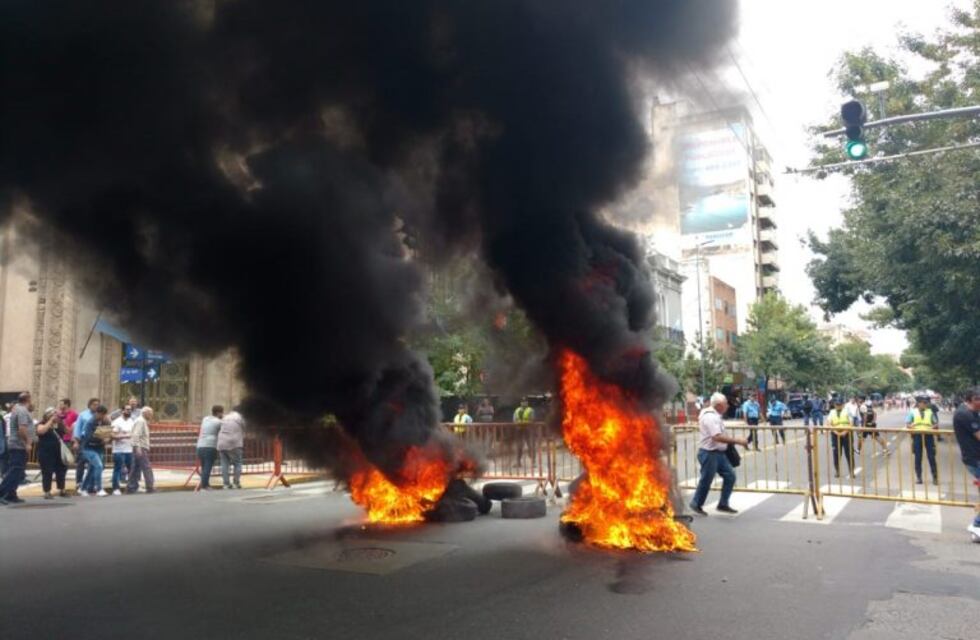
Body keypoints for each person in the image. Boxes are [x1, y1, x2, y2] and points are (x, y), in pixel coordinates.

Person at [689, 392, 748, 516]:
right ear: (719, 405)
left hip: (719, 453)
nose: (728, 406)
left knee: (730, 476)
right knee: (706, 480)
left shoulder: (715, 415)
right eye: (726, 403)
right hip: (709, 453)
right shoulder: (710, 417)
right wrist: (737, 440)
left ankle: (723, 504)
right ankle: (696, 503)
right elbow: (717, 437)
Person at [951, 387, 980, 537]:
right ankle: (976, 525)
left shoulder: (972, 413)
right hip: (975, 458)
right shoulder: (965, 414)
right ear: (972, 400)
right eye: (978, 399)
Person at [0, 392, 35, 505]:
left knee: (18, 471)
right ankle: (2, 493)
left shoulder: (18, 409)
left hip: (18, 444)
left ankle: (11, 494)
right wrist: (27, 443)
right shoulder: (22, 411)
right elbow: (22, 429)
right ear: (28, 399)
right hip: (18, 445)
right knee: (14, 470)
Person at [36, 408, 68, 499]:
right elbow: (41, 431)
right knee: (47, 471)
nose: (55, 417)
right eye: (53, 414)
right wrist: (50, 421)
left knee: (61, 470)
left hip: (58, 451)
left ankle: (62, 489)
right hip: (46, 452)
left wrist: (61, 421)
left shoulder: (58, 425)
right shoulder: (41, 423)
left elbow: (67, 431)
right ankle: (47, 491)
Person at [906, 395, 939, 485]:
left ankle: (935, 477)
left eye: (926, 403)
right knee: (918, 457)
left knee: (931, 457)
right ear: (919, 403)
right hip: (917, 436)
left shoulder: (930, 412)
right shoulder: (912, 412)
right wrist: (910, 426)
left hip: (928, 436)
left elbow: (936, 423)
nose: (925, 404)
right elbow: (908, 423)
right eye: (923, 403)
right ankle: (919, 477)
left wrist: (933, 427)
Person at [79, 406, 110, 497]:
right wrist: (101, 438)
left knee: (92, 469)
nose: (103, 416)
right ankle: (99, 489)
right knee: (99, 466)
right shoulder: (90, 422)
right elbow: (89, 437)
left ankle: (83, 488)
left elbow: (107, 434)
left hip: (99, 448)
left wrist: (107, 436)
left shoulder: (104, 421)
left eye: (104, 415)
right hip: (88, 448)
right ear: (97, 413)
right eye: (102, 414)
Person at [72, 397, 99, 495]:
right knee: (81, 462)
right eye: (94, 405)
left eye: (97, 405)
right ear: (89, 405)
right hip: (84, 440)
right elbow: (77, 428)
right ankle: (79, 482)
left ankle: (92, 484)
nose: (96, 406)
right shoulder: (83, 415)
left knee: (94, 463)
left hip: (96, 440)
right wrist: (76, 441)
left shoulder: (100, 416)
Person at [128, 406, 155, 493]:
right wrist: (138, 447)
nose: (151, 415)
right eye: (150, 413)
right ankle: (150, 486)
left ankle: (131, 487)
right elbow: (136, 435)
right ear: (145, 413)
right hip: (141, 447)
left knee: (135, 468)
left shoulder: (142, 421)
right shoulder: (141, 421)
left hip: (139, 447)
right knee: (146, 467)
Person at [196, 405, 223, 490]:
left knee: (204, 467)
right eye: (222, 413)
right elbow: (223, 430)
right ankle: (205, 486)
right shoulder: (218, 422)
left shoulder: (205, 419)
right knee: (207, 467)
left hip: (200, 446)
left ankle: (205, 484)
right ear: (218, 413)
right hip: (210, 446)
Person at [110, 405, 135, 495]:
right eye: (127, 409)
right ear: (122, 411)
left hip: (129, 449)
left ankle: (131, 486)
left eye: (130, 410)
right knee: (118, 468)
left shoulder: (131, 421)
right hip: (119, 450)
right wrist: (125, 436)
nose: (129, 411)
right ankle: (116, 488)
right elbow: (112, 435)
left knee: (131, 468)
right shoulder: (117, 422)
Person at [217, 409, 245, 489]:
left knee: (224, 464)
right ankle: (236, 483)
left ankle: (226, 484)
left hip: (222, 443)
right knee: (237, 463)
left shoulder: (225, 417)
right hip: (234, 443)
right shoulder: (240, 418)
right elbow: (245, 427)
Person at [828, 398, 855, 479]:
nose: (838, 406)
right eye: (836, 404)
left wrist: (845, 432)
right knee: (836, 454)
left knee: (849, 453)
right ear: (834, 405)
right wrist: (836, 432)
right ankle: (837, 471)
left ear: (843, 405)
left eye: (839, 404)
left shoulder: (847, 411)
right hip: (835, 435)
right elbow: (829, 423)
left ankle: (851, 471)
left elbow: (851, 423)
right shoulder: (832, 412)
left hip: (847, 434)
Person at [512, 397, 536, 467]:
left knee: (530, 446)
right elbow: (514, 420)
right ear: (520, 403)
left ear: (527, 403)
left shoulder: (530, 410)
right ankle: (518, 462)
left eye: (525, 402)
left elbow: (532, 419)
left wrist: (523, 423)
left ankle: (533, 462)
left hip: (528, 430)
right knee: (519, 446)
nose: (524, 403)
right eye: (522, 402)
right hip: (519, 430)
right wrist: (518, 423)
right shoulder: (517, 410)